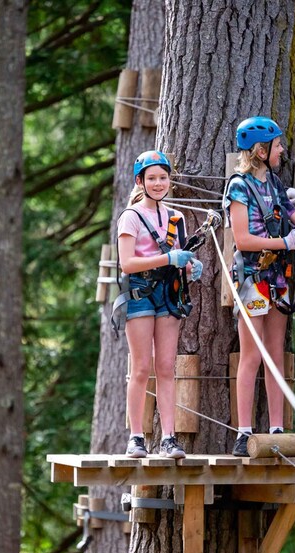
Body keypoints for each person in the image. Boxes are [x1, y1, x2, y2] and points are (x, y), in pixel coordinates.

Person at [224, 117, 295, 456]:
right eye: (277, 145)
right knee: (251, 356)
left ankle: (276, 428)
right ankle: (244, 433)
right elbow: (242, 239)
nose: (283, 150)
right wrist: (287, 242)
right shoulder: (238, 186)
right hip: (254, 279)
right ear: (260, 150)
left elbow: (290, 211)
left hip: (278, 278)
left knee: (275, 355)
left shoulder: (272, 181)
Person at [117, 150, 203, 459]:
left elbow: (176, 256)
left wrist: (188, 267)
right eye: (151, 178)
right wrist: (169, 258)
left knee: (166, 367)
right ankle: (136, 436)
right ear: (140, 181)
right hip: (140, 291)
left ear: (169, 180)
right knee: (141, 367)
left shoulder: (175, 218)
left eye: (163, 177)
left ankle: (169, 438)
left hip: (169, 290)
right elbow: (127, 263)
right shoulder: (131, 217)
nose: (158, 183)